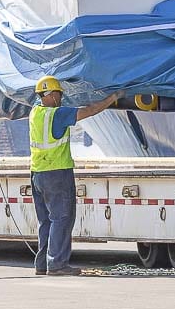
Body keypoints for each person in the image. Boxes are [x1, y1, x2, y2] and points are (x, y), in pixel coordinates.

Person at [29, 76, 122, 276]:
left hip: (37, 173)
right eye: (60, 94)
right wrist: (111, 98)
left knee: (46, 221)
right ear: (52, 95)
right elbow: (88, 111)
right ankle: (57, 264)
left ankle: (42, 264)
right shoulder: (57, 114)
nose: (61, 98)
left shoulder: (35, 113)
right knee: (62, 218)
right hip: (56, 173)